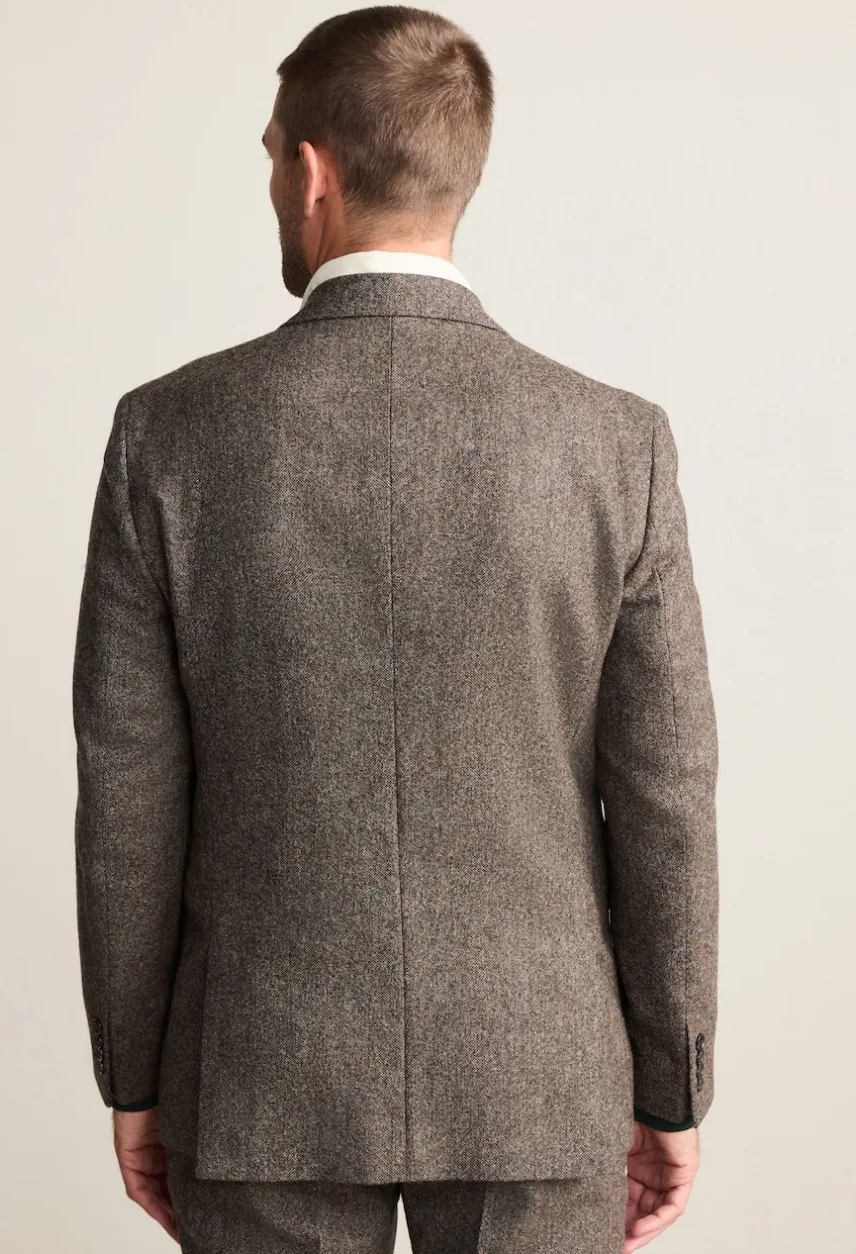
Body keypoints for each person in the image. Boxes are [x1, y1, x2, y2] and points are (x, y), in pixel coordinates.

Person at [72, 7, 719, 1252]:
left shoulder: (170, 435)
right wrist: (669, 1082)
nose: (274, 180)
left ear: (311, 170)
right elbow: (665, 796)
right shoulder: (612, 444)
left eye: (273, 154)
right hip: (540, 1077)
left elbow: (128, 795)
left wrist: (135, 1073)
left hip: (258, 1074)